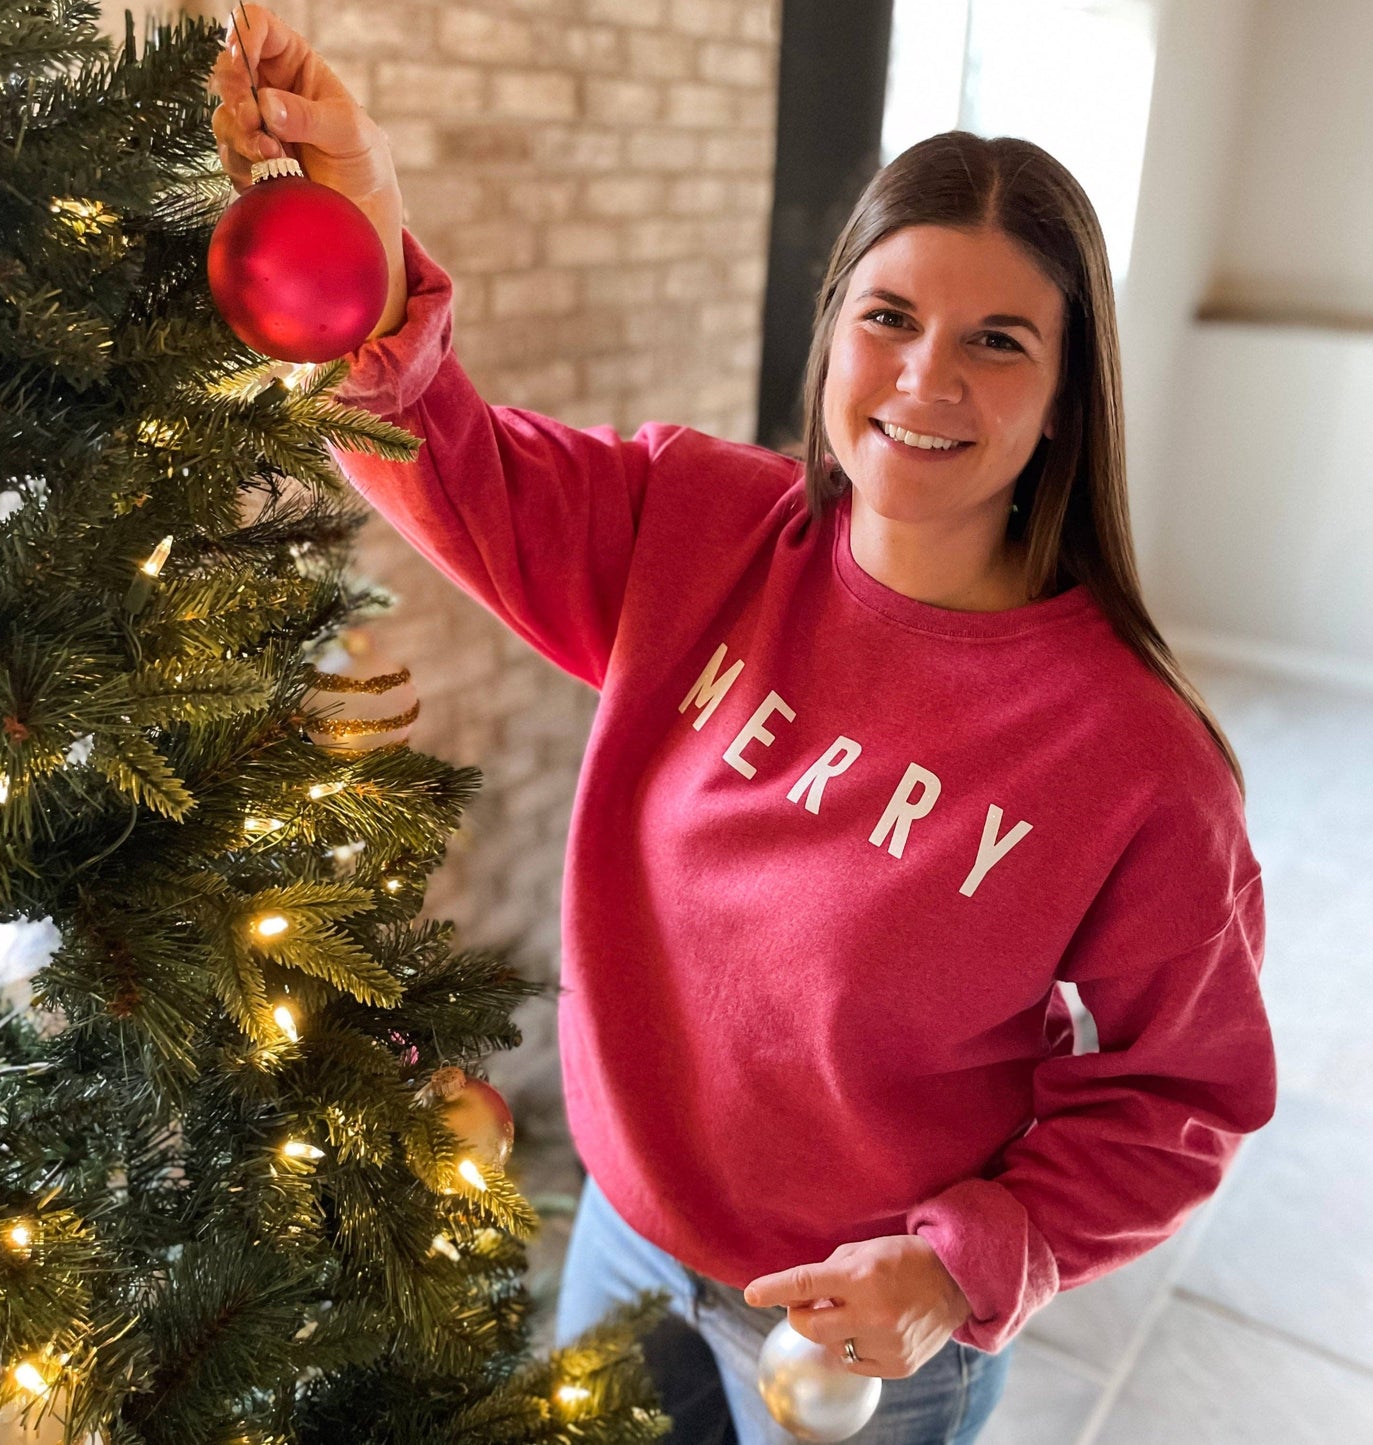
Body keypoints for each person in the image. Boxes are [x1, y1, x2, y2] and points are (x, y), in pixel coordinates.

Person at [209, 10, 1277, 1443]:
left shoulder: (1138, 761)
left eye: (996, 341)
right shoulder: (698, 526)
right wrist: (369, 221)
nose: (922, 379)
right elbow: (447, 454)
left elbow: (1178, 1093)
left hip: (871, 1340)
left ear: (1066, 396)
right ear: (830, 326)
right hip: (625, 1243)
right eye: (887, 316)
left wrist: (963, 1264)